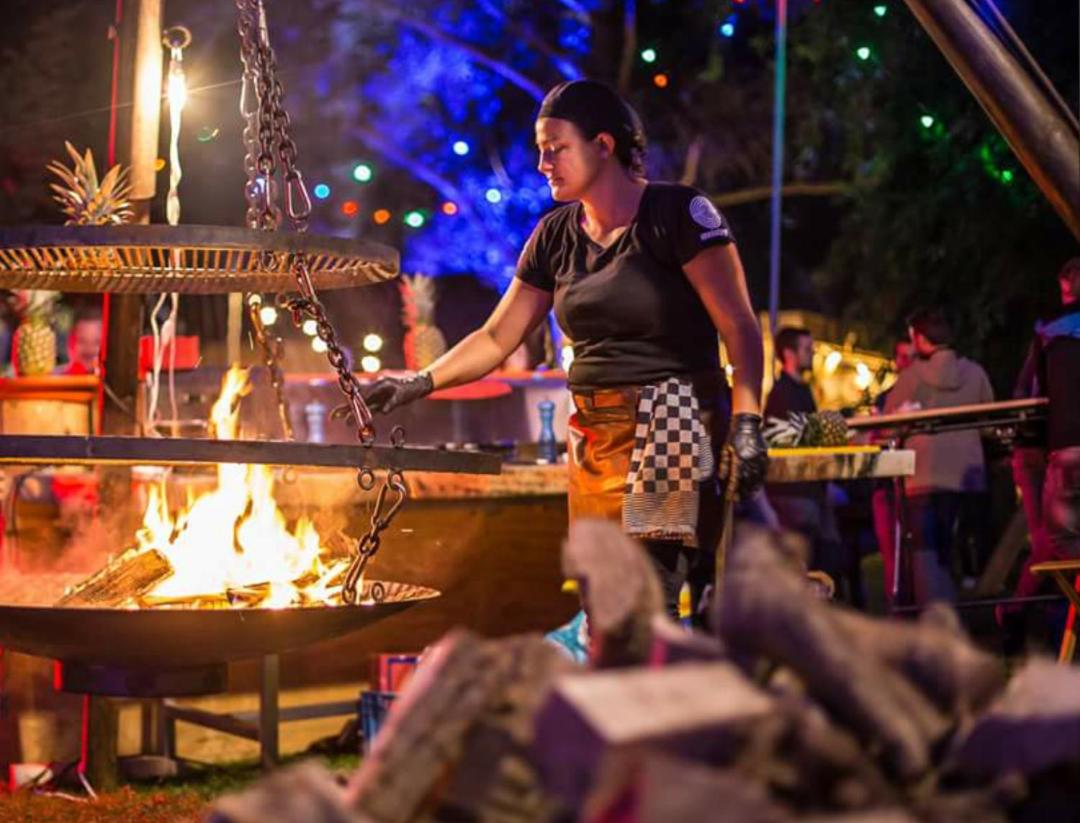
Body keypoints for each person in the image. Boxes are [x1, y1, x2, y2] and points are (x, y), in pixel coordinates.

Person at [361, 79, 767, 615]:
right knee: (604, 603)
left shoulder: (678, 213)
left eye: (556, 148)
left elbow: (739, 327)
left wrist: (747, 422)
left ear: (604, 145)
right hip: (594, 432)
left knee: (646, 601)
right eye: (541, 150)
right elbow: (496, 336)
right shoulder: (554, 236)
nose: (543, 164)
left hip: (673, 417)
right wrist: (418, 382)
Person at [884, 308, 993, 605]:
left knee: (927, 554)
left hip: (923, 477)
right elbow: (989, 426)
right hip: (968, 480)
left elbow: (887, 425)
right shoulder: (976, 374)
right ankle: (966, 606)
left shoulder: (910, 378)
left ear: (920, 339)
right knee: (958, 550)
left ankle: (934, 612)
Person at [1004, 258, 1080, 630]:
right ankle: (1038, 615)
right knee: (1053, 542)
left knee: (1053, 540)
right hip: (1055, 450)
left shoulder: (1049, 333)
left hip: (1060, 447)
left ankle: (1021, 614)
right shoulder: (1049, 332)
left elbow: (1029, 391)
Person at [763, 327, 843, 582]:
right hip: (794, 494)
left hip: (810, 491)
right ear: (789, 353)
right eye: (807, 349)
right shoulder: (781, 394)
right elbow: (787, 439)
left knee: (824, 560)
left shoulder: (801, 389)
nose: (812, 354)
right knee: (801, 564)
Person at [871, 338, 914, 604]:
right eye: (902, 356)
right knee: (891, 553)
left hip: (914, 484)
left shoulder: (923, 394)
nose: (906, 363)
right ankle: (896, 607)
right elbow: (875, 437)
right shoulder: (884, 398)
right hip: (887, 485)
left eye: (911, 356)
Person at [59, 308, 103, 376]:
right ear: (71, 342)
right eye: (82, 341)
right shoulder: (60, 378)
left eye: (96, 342)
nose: (89, 349)